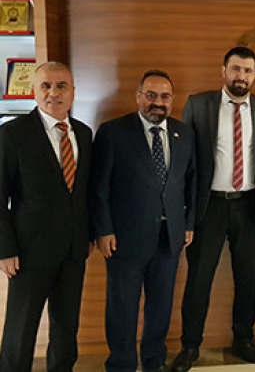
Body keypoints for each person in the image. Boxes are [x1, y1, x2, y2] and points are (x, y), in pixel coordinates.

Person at [170, 47, 255, 371]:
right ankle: (190, 346)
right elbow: (184, 161)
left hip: (249, 205)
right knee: (199, 279)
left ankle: (244, 340)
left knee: (248, 278)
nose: (241, 76)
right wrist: (185, 210)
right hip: (209, 206)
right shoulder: (199, 104)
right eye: (236, 69)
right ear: (224, 71)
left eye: (247, 70)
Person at [89, 70, 196, 372]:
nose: (157, 102)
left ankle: (154, 361)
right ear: (138, 97)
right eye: (151, 95)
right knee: (122, 308)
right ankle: (121, 363)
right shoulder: (113, 132)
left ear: (172, 100)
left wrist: (188, 223)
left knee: (160, 307)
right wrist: (104, 230)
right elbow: (99, 187)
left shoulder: (184, 133)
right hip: (124, 239)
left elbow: (191, 182)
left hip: (169, 237)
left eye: (164, 96)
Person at [0, 61, 92, 372]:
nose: (54, 93)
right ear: (34, 91)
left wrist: (89, 234)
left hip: (73, 250)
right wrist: (5, 248)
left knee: (66, 329)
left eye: (61, 86)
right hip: (28, 252)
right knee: (21, 329)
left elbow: (85, 192)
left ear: (73, 92)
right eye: (46, 86)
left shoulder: (84, 133)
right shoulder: (12, 134)